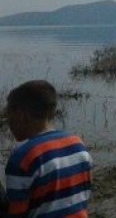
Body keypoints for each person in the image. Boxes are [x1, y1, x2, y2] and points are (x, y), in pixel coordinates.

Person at [3, 80, 92, 217]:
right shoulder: (77, 144)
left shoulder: (22, 157)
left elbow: (17, 213)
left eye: (9, 115)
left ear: (21, 115)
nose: (9, 123)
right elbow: (83, 198)